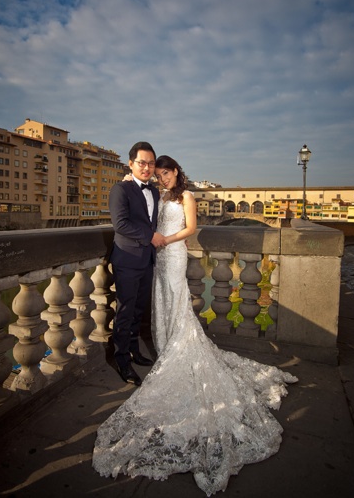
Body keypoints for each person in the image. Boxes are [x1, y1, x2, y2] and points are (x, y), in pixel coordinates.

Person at [93, 155, 298, 496]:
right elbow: (141, 218)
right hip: (155, 257)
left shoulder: (187, 196)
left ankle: (178, 349)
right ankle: (165, 347)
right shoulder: (156, 194)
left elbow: (190, 229)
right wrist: (146, 212)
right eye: (158, 174)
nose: (162, 178)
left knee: (175, 300)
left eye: (166, 173)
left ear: (176, 171)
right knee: (160, 303)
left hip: (171, 255)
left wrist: (169, 241)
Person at [108, 141, 167, 386]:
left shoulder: (153, 191)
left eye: (151, 163)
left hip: (147, 260)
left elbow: (152, 222)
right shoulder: (120, 189)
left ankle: (133, 350)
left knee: (138, 309)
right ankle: (121, 359)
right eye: (141, 162)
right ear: (131, 164)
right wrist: (150, 237)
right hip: (127, 259)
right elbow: (119, 224)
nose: (146, 167)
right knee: (125, 310)